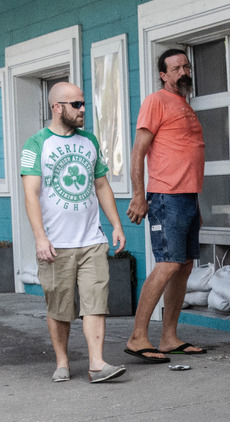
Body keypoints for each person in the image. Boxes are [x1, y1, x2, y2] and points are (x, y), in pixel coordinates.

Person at [20, 82, 127, 383]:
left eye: (83, 104)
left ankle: (97, 364)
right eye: (76, 105)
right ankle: (62, 361)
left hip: (92, 240)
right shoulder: (36, 144)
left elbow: (102, 185)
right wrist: (40, 237)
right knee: (59, 307)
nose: (82, 110)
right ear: (57, 107)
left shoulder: (89, 141)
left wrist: (116, 224)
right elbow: (31, 193)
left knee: (95, 302)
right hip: (56, 243)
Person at [124, 49, 206, 363]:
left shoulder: (183, 104)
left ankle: (169, 337)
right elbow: (138, 151)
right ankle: (137, 337)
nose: (183, 71)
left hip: (187, 196)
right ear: (163, 74)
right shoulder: (156, 101)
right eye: (176, 67)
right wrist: (138, 196)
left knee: (183, 265)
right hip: (166, 197)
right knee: (168, 263)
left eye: (186, 65)